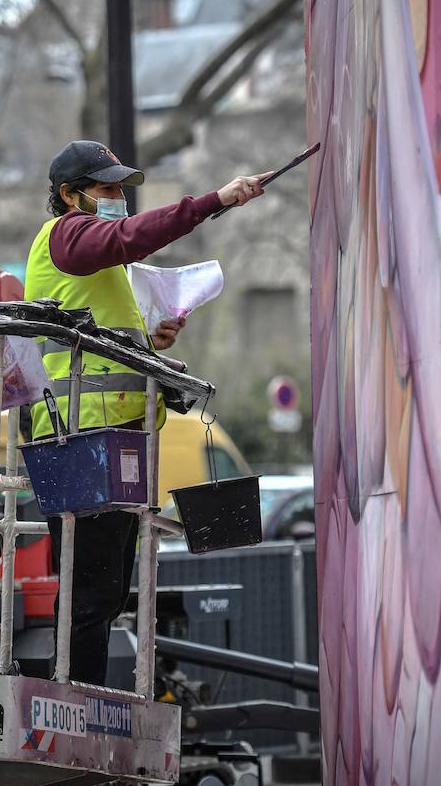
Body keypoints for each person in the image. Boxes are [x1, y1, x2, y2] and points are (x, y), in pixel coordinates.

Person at [24, 139, 266, 684]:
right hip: (78, 439)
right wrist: (214, 201)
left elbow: (100, 347)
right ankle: (76, 707)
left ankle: (81, 701)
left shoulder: (91, 262)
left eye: (120, 189)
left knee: (104, 592)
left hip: (105, 439)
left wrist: (152, 344)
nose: (118, 200)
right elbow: (131, 236)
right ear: (69, 196)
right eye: (107, 189)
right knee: (90, 594)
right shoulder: (67, 236)